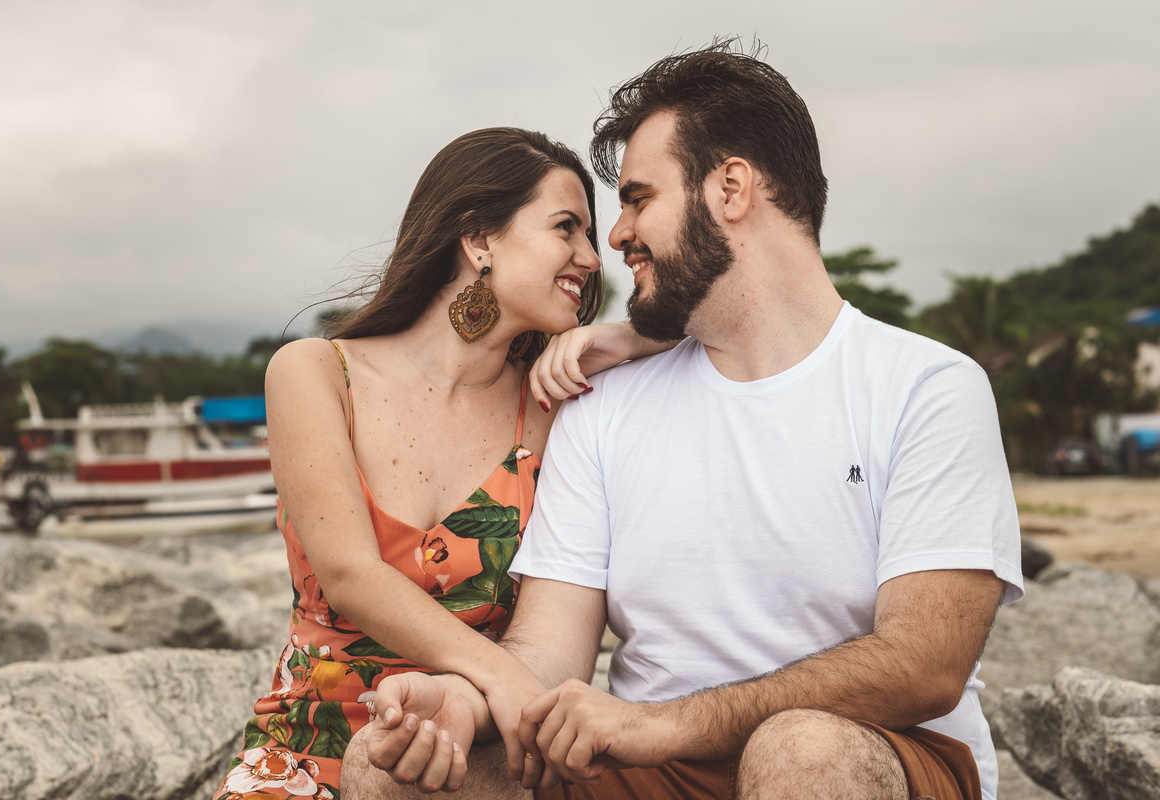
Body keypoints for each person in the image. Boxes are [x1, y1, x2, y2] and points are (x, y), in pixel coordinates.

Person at [344, 41, 1023, 800]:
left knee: (800, 754)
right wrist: (465, 702)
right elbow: (548, 648)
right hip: (647, 764)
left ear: (731, 186)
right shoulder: (604, 406)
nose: (617, 235)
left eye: (638, 198)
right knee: (391, 765)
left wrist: (667, 724)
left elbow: (925, 663)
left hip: (870, 751)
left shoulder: (925, 387)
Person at [211, 127, 665, 800]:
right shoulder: (317, 372)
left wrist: (627, 336)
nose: (589, 259)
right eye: (566, 228)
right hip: (307, 745)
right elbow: (350, 576)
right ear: (479, 239)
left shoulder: (549, 407)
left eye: (588, 236)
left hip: (469, 753)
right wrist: (509, 679)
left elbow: (719, 338)